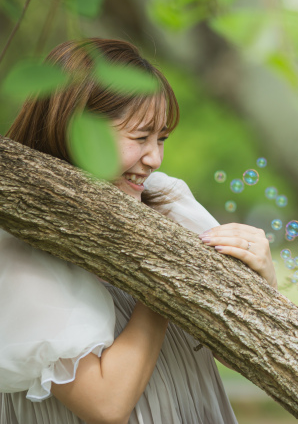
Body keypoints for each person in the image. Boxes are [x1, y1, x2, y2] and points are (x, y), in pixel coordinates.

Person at [0, 38, 278, 424]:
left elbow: (236, 353)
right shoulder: (18, 248)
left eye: (161, 138)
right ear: (77, 130)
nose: (155, 158)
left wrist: (262, 286)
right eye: (140, 137)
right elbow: (106, 405)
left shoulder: (164, 200)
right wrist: (165, 281)